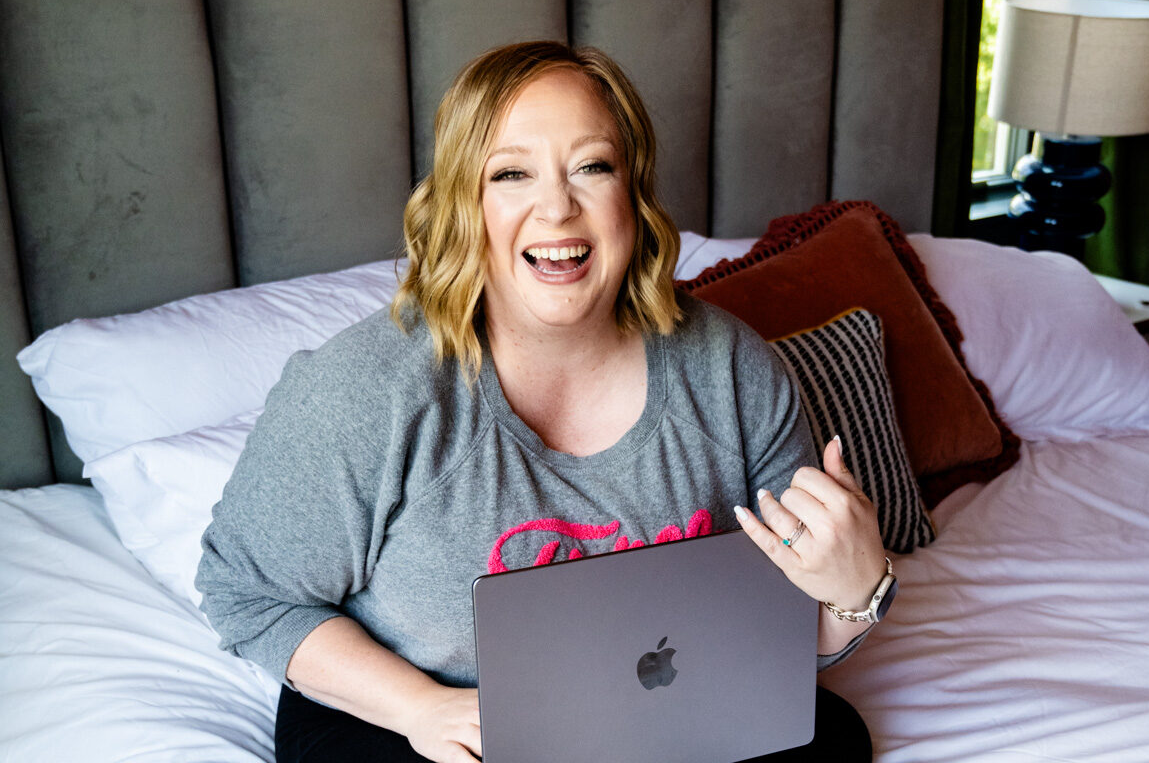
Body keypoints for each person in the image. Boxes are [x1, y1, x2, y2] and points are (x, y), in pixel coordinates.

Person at [196, 41, 888, 763]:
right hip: (414, 715)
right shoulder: (366, 389)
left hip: (641, 700)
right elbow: (245, 593)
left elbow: (787, 632)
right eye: (511, 173)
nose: (557, 208)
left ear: (633, 193)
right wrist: (420, 708)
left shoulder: (733, 369)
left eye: (592, 167)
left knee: (831, 739)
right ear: (464, 203)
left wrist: (855, 592)